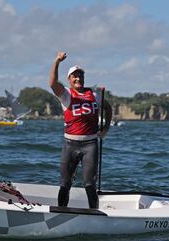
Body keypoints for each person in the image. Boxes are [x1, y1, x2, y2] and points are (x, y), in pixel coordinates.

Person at [49, 51, 112, 209]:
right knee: (65, 184)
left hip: (90, 145)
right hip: (70, 145)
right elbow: (52, 83)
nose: (78, 78)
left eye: (80, 76)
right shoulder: (66, 95)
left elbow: (108, 107)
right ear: (69, 80)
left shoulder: (95, 95)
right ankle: (61, 213)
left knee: (90, 184)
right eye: (74, 76)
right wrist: (57, 61)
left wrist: (105, 128)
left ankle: (95, 215)